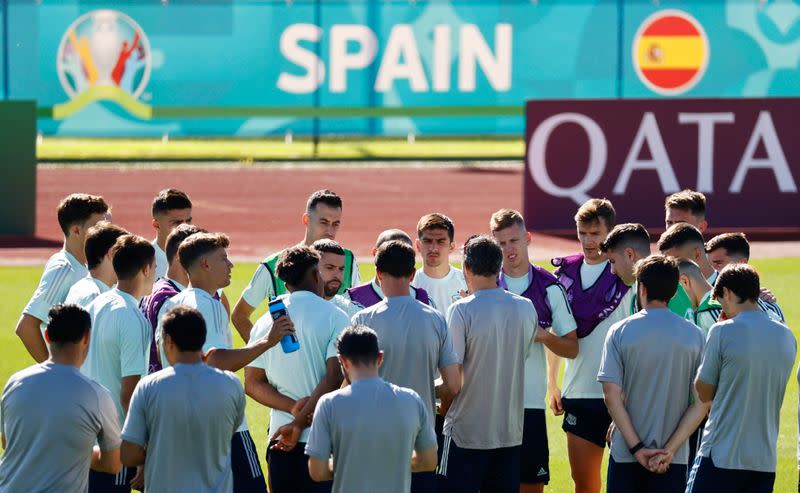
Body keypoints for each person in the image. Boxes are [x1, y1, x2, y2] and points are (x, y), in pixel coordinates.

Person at [156, 232, 269, 492]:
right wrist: (266, 342)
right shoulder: (209, 304)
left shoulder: (171, 304)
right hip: (223, 427)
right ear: (205, 264)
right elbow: (215, 361)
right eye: (224, 259)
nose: (231, 265)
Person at [351, 240, 461, 493]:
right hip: (420, 433)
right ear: (412, 275)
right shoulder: (435, 319)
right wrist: (422, 388)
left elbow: (353, 383)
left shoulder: (363, 319)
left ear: (378, 274)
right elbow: (453, 384)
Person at [437, 235, 540, 493]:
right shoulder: (526, 308)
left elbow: (454, 382)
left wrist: (429, 395)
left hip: (465, 433)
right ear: (499, 267)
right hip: (508, 433)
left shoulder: (461, 310)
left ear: (466, 268)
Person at [244, 246, 350, 493]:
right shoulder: (336, 316)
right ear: (316, 275)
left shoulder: (264, 322)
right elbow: (334, 376)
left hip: (280, 441)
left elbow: (252, 384)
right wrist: (299, 423)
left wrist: (292, 409)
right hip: (325, 443)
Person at [598, 255, 706, 493]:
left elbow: (611, 396)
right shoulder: (695, 335)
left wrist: (637, 449)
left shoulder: (620, 331)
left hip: (626, 454)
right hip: (673, 459)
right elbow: (701, 404)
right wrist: (668, 450)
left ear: (642, 288)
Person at [489, 209, 578, 493]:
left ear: (527, 238)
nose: (508, 250)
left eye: (513, 241)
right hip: (489, 406)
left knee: (531, 486)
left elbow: (572, 347)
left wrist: (542, 336)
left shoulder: (549, 287)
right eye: (501, 244)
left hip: (530, 406)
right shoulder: (484, 285)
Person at [547, 199, 633, 493]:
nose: (588, 240)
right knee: (584, 484)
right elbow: (557, 333)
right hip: (579, 391)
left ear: (611, 232)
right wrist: (552, 383)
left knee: (629, 485)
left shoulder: (629, 277)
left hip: (625, 395)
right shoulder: (564, 276)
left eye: (595, 233)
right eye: (582, 233)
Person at [688, 264, 796, 493]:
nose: (721, 309)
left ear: (727, 292)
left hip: (720, 455)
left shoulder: (721, 331)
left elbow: (703, 392)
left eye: (720, 301)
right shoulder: (787, 336)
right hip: (764, 461)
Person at [120, 306, 247, 493]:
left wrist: (161, 450)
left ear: (169, 341)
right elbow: (226, 434)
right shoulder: (232, 385)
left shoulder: (148, 387)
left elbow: (128, 454)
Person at [0, 304, 121, 493]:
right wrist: (74, 453)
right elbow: (113, 463)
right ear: (87, 338)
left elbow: (7, 442)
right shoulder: (97, 396)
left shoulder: (15, 383)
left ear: (47, 335)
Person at [306, 325, 439, 493]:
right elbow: (429, 461)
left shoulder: (329, 404)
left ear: (343, 361)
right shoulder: (411, 400)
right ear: (380, 357)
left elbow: (317, 471)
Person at [234, 189, 360, 340]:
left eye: (335, 224)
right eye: (324, 222)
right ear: (306, 220)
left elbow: (357, 313)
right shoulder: (274, 264)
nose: (330, 231)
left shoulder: (347, 260)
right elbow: (240, 315)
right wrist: (263, 352)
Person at [82, 235, 155, 492]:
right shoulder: (134, 318)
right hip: (115, 443)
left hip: (86, 437)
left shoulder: (95, 305)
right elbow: (130, 393)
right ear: (146, 269)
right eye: (155, 267)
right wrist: (141, 450)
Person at [16, 193, 110, 362]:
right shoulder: (64, 268)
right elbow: (26, 327)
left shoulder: (86, 265)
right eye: (97, 227)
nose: (105, 232)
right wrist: (56, 372)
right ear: (76, 230)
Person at [141, 224, 204, 373]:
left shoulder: (157, 289)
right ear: (180, 256)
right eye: (202, 255)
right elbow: (170, 360)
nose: (205, 262)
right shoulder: (172, 300)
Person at [599, 223, 693, 319]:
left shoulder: (664, 288)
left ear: (629, 254)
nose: (612, 271)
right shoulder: (642, 290)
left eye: (612, 261)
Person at [705, 232, 785, 322]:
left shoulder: (769, 305)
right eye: (708, 264)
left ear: (741, 263)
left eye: (718, 263)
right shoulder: (700, 297)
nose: (712, 269)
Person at [346, 229, 431, 309]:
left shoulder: (424, 299)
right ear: (375, 253)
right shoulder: (351, 298)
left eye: (406, 254)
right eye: (390, 253)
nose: (398, 260)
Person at [411, 213, 467, 314]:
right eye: (427, 241)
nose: (433, 248)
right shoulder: (409, 285)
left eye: (441, 242)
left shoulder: (467, 283)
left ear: (452, 246)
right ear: (418, 245)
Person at [65, 221, 128, 307]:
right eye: (124, 253)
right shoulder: (98, 297)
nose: (128, 259)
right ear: (112, 254)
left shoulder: (78, 287)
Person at [312, 239, 362, 317]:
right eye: (330, 268)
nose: (337, 275)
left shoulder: (354, 313)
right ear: (312, 269)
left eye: (341, 269)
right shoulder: (289, 309)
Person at [150, 188, 192, 279]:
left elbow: (217, 293)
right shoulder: (143, 262)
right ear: (156, 225)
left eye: (188, 221)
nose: (186, 227)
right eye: (177, 223)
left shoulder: (201, 257)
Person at [676, 259, 721, 337]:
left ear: (685, 281)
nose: (677, 299)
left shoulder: (708, 312)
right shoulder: (717, 300)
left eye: (675, 292)